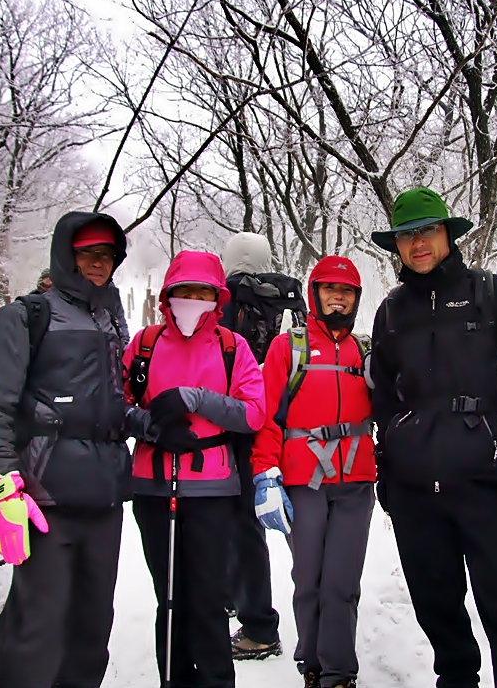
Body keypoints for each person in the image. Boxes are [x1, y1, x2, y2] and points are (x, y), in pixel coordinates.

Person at [369, 187, 497, 688]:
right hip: (416, 493)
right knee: (438, 610)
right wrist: (387, 469)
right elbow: (384, 400)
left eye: (427, 231)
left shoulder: (493, 294)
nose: (418, 243)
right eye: (407, 236)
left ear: (448, 234)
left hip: (485, 482)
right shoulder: (390, 312)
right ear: (397, 247)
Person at [0, 212, 131, 688]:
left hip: (103, 500)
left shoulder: (110, 321)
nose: (98, 264)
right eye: (87, 253)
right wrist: (0, 486)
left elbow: (107, 408)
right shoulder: (24, 317)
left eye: (107, 255)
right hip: (43, 502)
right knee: (36, 631)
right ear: (65, 254)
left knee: (91, 630)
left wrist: (152, 419)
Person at [123, 249, 266, 688]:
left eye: (203, 292)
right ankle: (175, 679)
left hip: (212, 489)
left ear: (217, 298)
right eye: (184, 291)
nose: (193, 300)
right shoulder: (145, 344)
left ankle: (217, 680)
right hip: (153, 486)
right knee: (169, 599)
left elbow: (254, 413)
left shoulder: (231, 346)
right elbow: (116, 405)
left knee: (206, 599)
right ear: (168, 295)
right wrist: (148, 426)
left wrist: (195, 399)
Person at [252, 255, 376, 688]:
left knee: (341, 581)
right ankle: (313, 664)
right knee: (309, 578)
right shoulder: (289, 347)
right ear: (314, 294)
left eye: (346, 292)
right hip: (303, 479)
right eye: (330, 290)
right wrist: (265, 474)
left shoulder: (365, 351)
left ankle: (339, 673)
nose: (338, 299)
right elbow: (268, 417)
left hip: (356, 481)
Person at [218, 232, 283, 660]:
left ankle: (258, 624)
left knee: (228, 522)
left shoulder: (223, 301)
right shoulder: (284, 298)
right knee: (246, 525)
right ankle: (244, 605)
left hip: (222, 421)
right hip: (266, 422)